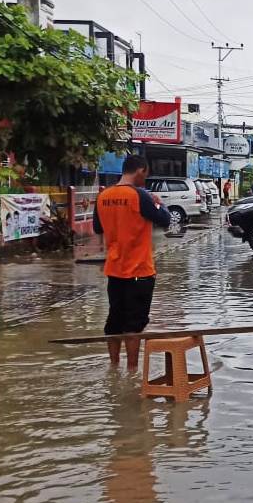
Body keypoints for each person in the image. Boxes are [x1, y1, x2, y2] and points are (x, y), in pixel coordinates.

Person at [92, 155, 171, 368]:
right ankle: (132, 372)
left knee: (114, 322)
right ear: (140, 171)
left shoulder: (103, 196)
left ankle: (113, 368)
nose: (145, 179)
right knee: (134, 326)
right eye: (145, 174)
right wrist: (159, 203)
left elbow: (98, 228)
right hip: (140, 272)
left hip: (114, 270)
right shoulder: (140, 195)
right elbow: (165, 220)